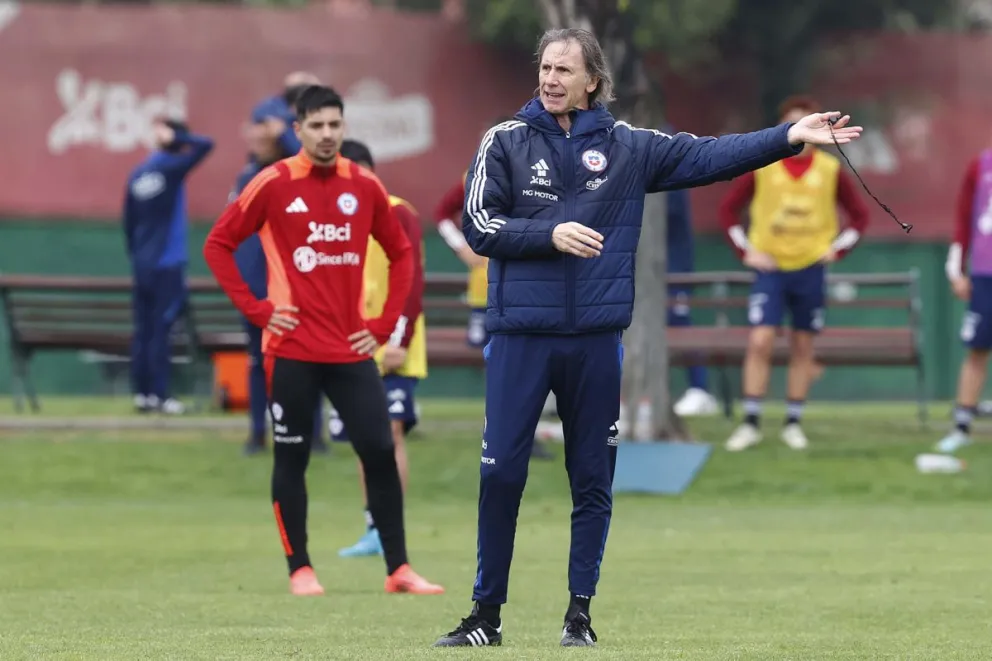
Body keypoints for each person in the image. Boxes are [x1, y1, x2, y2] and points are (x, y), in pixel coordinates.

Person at [431, 29, 861, 648]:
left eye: (563, 70)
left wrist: (789, 137)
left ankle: (578, 615)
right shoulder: (505, 141)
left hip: (596, 339)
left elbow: (713, 155)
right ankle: (485, 616)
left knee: (592, 479)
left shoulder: (631, 147)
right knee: (501, 475)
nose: (550, 78)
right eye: (545, 67)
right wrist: (549, 233)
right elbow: (478, 223)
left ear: (593, 83)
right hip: (521, 335)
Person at [203, 85, 443, 596]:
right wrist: (259, 310)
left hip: (351, 351)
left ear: (344, 127)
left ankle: (398, 569)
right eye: (317, 125)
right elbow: (218, 244)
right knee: (292, 458)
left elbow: (402, 255)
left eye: (335, 124)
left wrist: (380, 328)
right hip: (290, 351)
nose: (328, 134)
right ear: (299, 130)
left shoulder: (365, 186)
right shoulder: (272, 183)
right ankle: (300, 569)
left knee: (379, 451)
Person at [719, 95, 870, 452]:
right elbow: (728, 212)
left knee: (803, 346)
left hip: (809, 268)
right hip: (771, 268)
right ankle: (752, 422)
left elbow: (860, 218)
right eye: (794, 122)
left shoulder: (831, 170)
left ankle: (792, 422)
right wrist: (747, 252)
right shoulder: (763, 164)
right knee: (761, 341)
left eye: (810, 121)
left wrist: (838, 248)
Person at [434, 129, 557, 460]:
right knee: (498, 363)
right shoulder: (474, 174)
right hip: (486, 290)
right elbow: (442, 213)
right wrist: (461, 247)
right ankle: (504, 436)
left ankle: (523, 434)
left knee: (529, 361)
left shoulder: (543, 175)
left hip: (529, 288)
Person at [330, 139, 426, 558]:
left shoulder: (397, 211)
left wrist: (398, 339)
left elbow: (412, 280)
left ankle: (391, 528)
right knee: (364, 437)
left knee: (390, 434)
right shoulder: (334, 218)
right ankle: (374, 525)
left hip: (392, 345)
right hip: (350, 345)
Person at [235, 80, 327, 457]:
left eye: (267, 127)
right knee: (259, 363)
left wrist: (284, 136)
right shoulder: (246, 176)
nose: (258, 134)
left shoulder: (292, 174)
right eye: (257, 126)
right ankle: (258, 432)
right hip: (255, 287)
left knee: (308, 361)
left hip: (294, 284)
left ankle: (313, 434)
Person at [123, 117, 213, 415]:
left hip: (142, 264)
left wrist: (137, 257)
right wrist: (177, 138)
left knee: (144, 331)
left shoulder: (138, 175)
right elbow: (206, 146)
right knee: (162, 331)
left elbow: (128, 224)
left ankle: (143, 394)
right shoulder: (172, 169)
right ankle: (161, 396)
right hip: (167, 263)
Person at [935, 146, 992, 453]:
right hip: (986, 272)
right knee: (977, 350)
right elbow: (964, 218)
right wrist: (956, 270)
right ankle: (961, 427)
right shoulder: (981, 165)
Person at [667, 182, 719, 417]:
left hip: (674, 271)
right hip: (640, 272)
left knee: (681, 327)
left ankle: (700, 390)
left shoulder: (670, 185)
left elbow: (670, 215)